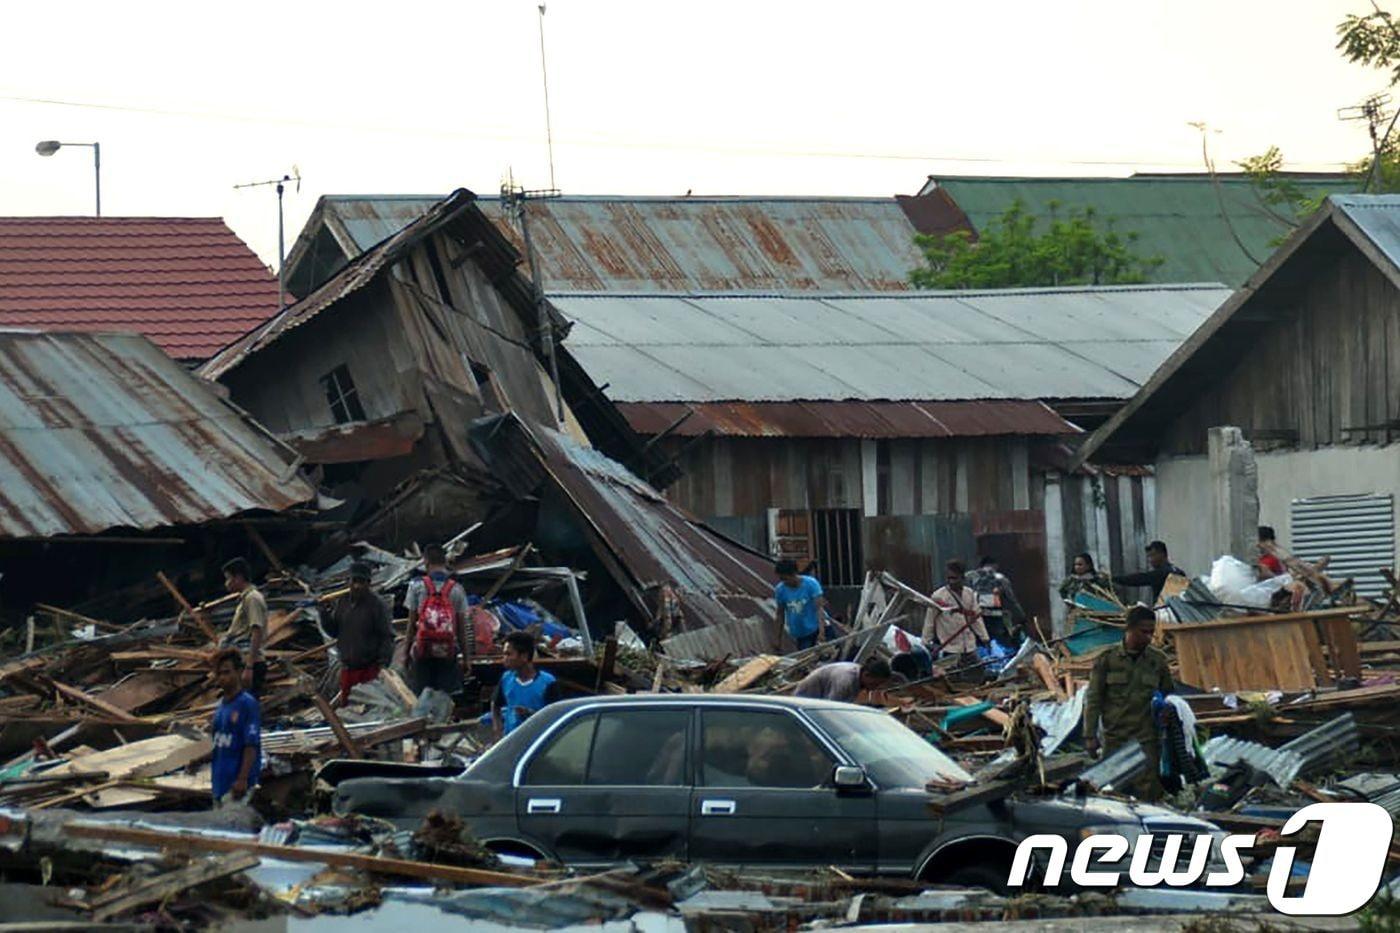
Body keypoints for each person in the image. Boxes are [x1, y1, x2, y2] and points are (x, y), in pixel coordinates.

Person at [1083, 605, 1174, 800]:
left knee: (1148, 795)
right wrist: (1089, 735)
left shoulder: (1157, 661)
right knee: (1113, 793)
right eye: (1143, 632)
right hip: (1115, 738)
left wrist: (1166, 711)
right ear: (1129, 629)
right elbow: (1094, 698)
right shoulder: (1107, 660)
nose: (1148, 637)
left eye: (1151, 632)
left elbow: (1168, 694)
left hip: (1146, 740)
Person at [325, 561, 395, 706]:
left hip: (369, 669)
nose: (357, 586)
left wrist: (383, 665)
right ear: (348, 582)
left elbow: (387, 636)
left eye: (362, 582)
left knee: (367, 709)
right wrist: (323, 615)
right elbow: (334, 632)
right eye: (354, 581)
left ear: (369, 584)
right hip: (348, 668)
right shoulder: (342, 602)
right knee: (347, 708)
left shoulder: (377, 605)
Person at [404, 544, 471, 696]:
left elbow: (411, 625)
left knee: (421, 697)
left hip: (422, 652)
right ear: (445, 562)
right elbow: (461, 629)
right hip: (447, 653)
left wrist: (406, 654)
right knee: (445, 698)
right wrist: (467, 659)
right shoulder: (457, 589)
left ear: (426, 562)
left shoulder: (416, 586)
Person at [210, 648, 261, 807]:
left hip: (236, 786)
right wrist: (197, 761)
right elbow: (219, 743)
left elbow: (251, 744)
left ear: (239, 671)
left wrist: (242, 779)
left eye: (227, 672)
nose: (222, 678)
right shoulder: (221, 708)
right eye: (219, 674)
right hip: (219, 784)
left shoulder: (247, 704)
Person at [492, 632, 560, 739]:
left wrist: (531, 714)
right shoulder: (506, 678)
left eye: (508, 654)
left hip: (537, 741)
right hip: (511, 740)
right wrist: (498, 730)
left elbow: (555, 716)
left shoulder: (547, 682)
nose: (504, 658)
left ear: (524, 656)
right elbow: (495, 705)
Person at [923, 561, 990, 659]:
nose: (951, 582)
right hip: (949, 648)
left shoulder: (969, 594)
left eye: (954, 578)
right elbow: (929, 621)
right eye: (949, 578)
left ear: (962, 578)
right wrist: (926, 642)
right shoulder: (938, 596)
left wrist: (984, 638)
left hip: (969, 646)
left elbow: (976, 618)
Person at [221, 558, 267, 696]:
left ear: (239, 578)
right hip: (242, 661)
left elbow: (257, 631)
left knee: (247, 703)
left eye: (228, 578)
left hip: (251, 662)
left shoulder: (252, 598)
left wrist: (249, 667)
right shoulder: (245, 599)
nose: (226, 583)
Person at [965, 556, 1024, 649]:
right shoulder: (1000, 578)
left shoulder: (970, 576)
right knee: (1002, 644)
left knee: (980, 644)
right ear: (995, 565)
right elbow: (1011, 599)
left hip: (976, 618)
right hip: (995, 617)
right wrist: (1021, 616)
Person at [773, 560, 826, 651]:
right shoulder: (780, 590)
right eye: (781, 579)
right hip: (801, 634)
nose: (784, 582)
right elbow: (780, 615)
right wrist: (777, 639)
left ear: (794, 574)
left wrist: (822, 632)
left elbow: (819, 609)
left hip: (816, 628)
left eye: (786, 579)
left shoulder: (811, 584)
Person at [1112, 541, 1185, 604]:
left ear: (1162, 554)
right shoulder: (1178, 571)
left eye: (1153, 555)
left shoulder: (1161, 573)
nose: (1150, 560)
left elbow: (1138, 579)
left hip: (1165, 612)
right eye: (1149, 556)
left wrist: (1113, 579)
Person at [793, 658, 894, 703]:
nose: (875, 688)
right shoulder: (846, 681)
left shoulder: (858, 677)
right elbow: (831, 708)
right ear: (866, 675)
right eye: (874, 683)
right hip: (806, 698)